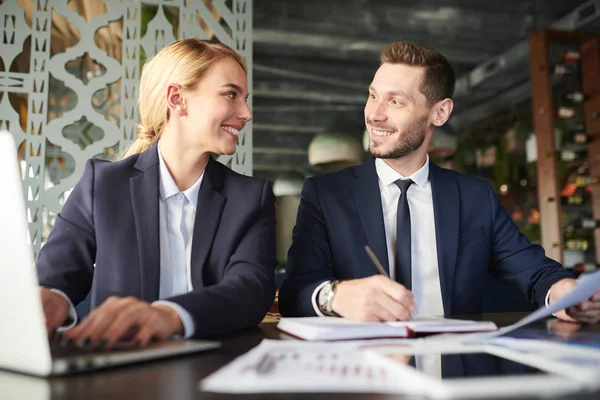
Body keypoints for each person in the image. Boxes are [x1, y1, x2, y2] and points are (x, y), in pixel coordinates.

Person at [278, 41, 600, 324]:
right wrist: (334, 296)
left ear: (440, 113)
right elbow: (295, 293)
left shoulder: (476, 198)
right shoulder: (325, 195)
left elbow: (536, 272)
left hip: (454, 381)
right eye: (373, 95)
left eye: (395, 101)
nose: (374, 114)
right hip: (362, 379)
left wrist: (567, 294)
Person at [37, 38, 278, 349]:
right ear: (177, 99)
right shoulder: (103, 185)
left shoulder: (251, 198)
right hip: (119, 376)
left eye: (245, 98)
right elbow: (55, 279)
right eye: (231, 94)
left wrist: (170, 315)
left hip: (216, 370)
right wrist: (52, 301)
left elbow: (250, 290)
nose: (246, 113)